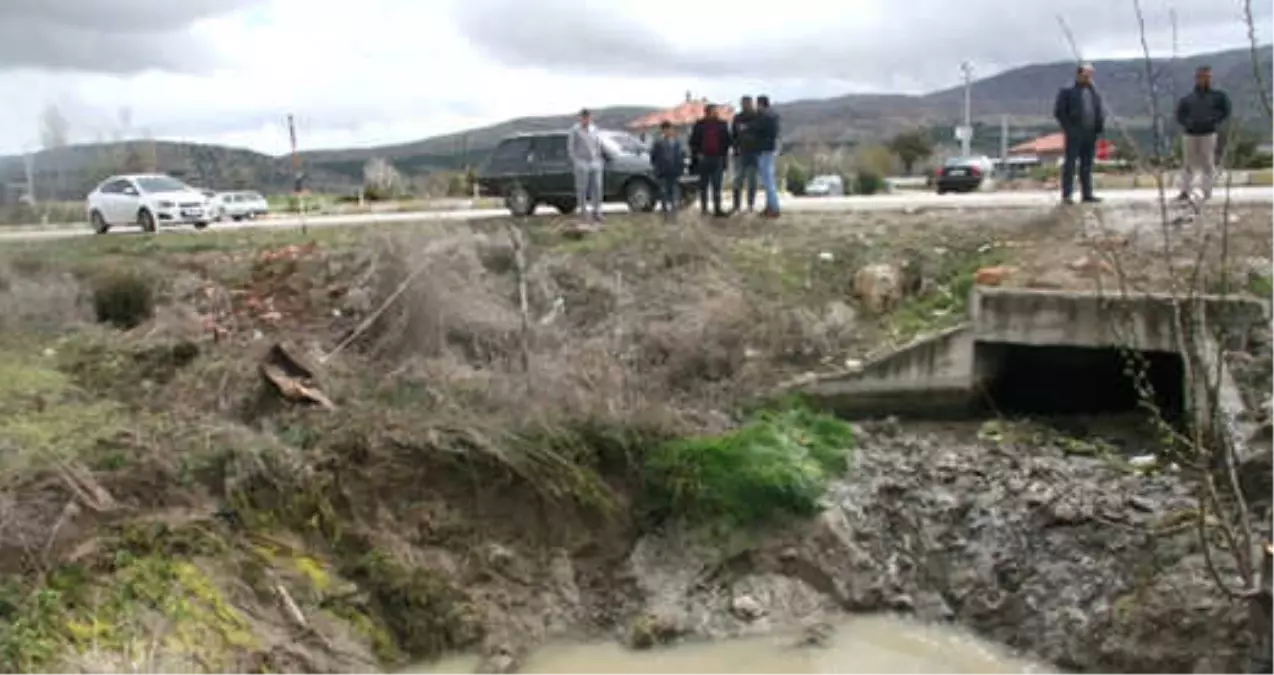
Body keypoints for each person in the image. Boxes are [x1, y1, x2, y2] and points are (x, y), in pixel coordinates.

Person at [1175, 65, 1231, 202]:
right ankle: (1185, 191)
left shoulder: (1218, 96)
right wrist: (1187, 123)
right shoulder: (1188, 98)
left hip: (1208, 133)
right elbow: (1179, 114)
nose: (1204, 79)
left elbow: (1226, 111)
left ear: (1211, 78)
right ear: (1196, 78)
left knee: (1207, 163)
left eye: (1207, 77)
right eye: (1201, 77)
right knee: (1188, 163)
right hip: (1190, 134)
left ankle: (1207, 191)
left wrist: (1213, 120)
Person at [1053, 64, 1105, 204]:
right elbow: (1060, 112)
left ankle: (1087, 194)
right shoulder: (1068, 91)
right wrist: (1069, 129)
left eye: (1091, 75)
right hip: (1075, 132)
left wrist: (1099, 126)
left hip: (1090, 132)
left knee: (1087, 164)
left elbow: (1098, 110)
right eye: (1086, 75)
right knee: (1070, 163)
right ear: (1079, 75)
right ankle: (1067, 195)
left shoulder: (1094, 91)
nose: (1089, 77)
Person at [688, 103, 732, 217]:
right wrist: (697, 154)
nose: (716, 113)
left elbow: (727, 141)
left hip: (717, 158)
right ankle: (704, 209)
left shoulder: (722, 125)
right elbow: (693, 142)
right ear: (707, 112)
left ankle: (717, 209)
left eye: (716, 111)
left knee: (717, 185)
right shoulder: (699, 125)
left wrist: (723, 155)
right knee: (703, 185)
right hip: (704, 159)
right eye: (714, 111)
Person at [567, 108, 604, 225]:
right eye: (584, 117)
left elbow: (598, 144)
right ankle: (583, 210)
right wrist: (576, 161)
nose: (586, 119)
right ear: (580, 118)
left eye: (588, 117)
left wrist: (599, 158)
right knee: (582, 187)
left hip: (595, 162)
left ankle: (596, 210)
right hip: (582, 162)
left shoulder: (594, 129)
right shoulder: (575, 130)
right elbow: (571, 147)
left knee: (597, 187)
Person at [649, 120, 686, 221]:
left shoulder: (677, 142)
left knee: (674, 192)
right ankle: (665, 212)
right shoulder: (658, 142)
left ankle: (674, 213)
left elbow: (681, 156)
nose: (668, 131)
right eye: (665, 130)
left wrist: (681, 168)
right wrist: (657, 168)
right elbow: (653, 157)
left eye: (669, 129)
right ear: (662, 130)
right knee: (664, 192)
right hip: (663, 171)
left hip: (674, 171)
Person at [730, 95, 760, 213]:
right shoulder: (737, 118)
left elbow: (759, 132)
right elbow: (733, 134)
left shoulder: (757, 117)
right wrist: (735, 147)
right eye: (743, 103)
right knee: (738, 180)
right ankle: (736, 205)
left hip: (753, 152)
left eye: (747, 103)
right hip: (740, 152)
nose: (745, 105)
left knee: (752, 181)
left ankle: (750, 205)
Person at [753, 95, 781, 218]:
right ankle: (770, 206)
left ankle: (773, 208)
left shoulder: (765, 117)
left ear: (760, 104)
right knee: (769, 180)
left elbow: (759, 130)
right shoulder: (773, 116)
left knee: (768, 181)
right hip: (769, 149)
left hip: (765, 150)